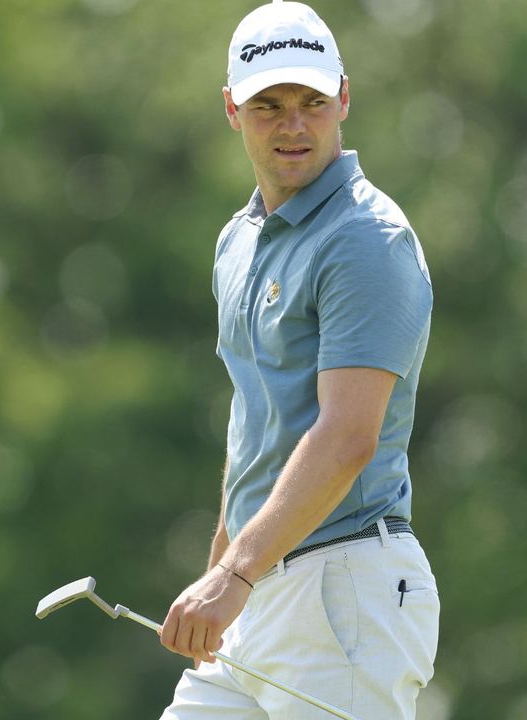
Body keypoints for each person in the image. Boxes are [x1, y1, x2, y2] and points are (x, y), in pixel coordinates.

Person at [157, 2, 439, 718]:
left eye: (312, 102)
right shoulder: (239, 240)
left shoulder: (365, 238)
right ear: (232, 108)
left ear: (343, 98)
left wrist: (233, 575)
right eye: (268, 105)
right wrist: (224, 569)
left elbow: (347, 436)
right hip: (260, 583)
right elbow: (258, 420)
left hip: (345, 587)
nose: (293, 125)